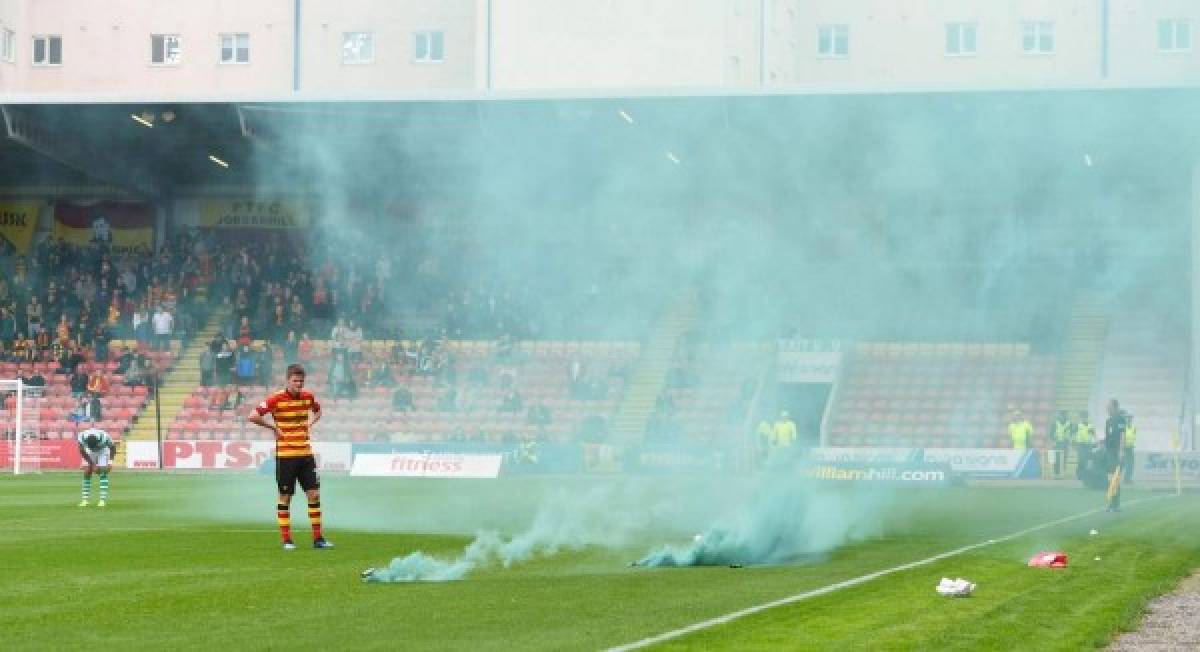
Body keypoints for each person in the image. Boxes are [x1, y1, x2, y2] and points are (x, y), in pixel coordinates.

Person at [248, 364, 333, 550]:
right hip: (286, 456)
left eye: (301, 381)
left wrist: (310, 423)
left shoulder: (308, 397)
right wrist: (273, 428)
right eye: (295, 381)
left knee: (314, 494)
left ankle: (318, 539)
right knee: (285, 497)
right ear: (287, 380)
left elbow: (318, 410)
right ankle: (287, 540)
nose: (299, 384)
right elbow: (252, 416)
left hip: (306, 454)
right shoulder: (276, 399)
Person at [77, 422, 116, 507]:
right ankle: (85, 500)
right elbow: (82, 451)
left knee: (103, 472)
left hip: (102, 451)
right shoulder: (81, 437)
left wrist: (110, 462)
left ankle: (102, 500)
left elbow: (113, 448)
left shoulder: (105, 437)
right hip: (89, 452)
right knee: (87, 472)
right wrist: (92, 464)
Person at [1103, 399, 1128, 512]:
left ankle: (1115, 504)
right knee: (1110, 479)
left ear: (1114, 407)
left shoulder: (1120, 419)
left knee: (1115, 478)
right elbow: (1108, 438)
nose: (1107, 409)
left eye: (1109, 406)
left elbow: (1123, 435)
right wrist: (1101, 444)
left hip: (1116, 452)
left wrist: (1121, 451)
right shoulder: (1108, 421)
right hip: (1109, 453)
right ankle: (1112, 503)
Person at [1050, 410, 1073, 478]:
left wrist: (1069, 439)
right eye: (1062, 415)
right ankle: (1056, 473)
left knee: (1063, 459)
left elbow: (1071, 433)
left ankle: (1062, 473)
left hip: (1065, 443)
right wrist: (1053, 440)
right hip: (1057, 443)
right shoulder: (1055, 423)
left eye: (1064, 415)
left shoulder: (1069, 423)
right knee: (1056, 459)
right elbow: (1051, 434)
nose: (1063, 416)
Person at [1074, 411, 1093, 481]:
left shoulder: (1090, 425)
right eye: (1083, 417)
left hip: (1088, 444)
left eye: (1085, 417)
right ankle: (1079, 475)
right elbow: (1073, 434)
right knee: (1081, 460)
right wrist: (1074, 443)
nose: (1084, 419)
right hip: (1080, 445)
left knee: (1086, 461)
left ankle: (1085, 475)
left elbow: (1093, 434)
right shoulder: (1078, 425)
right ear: (1080, 418)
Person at [1122, 413, 1136, 484]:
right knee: (1128, 464)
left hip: (1131, 447)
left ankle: (1128, 478)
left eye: (1130, 419)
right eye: (1128, 418)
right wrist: (1122, 448)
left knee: (1131, 464)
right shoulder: (1124, 428)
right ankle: (1126, 479)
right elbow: (1122, 438)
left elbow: (1133, 437)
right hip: (1125, 447)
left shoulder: (1133, 428)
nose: (1129, 420)